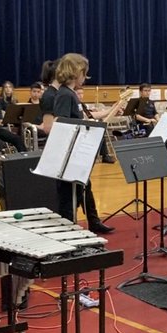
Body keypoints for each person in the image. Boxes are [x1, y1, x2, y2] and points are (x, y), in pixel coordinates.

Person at [42, 53, 113, 234]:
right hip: (69, 154)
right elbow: (63, 123)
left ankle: (92, 222)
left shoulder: (69, 93)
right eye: (84, 73)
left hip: (75, 152)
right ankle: (68, 231)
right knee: (68, 197)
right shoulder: (66, 95)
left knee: (83, 187)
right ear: (75, 72)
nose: (85, 77)